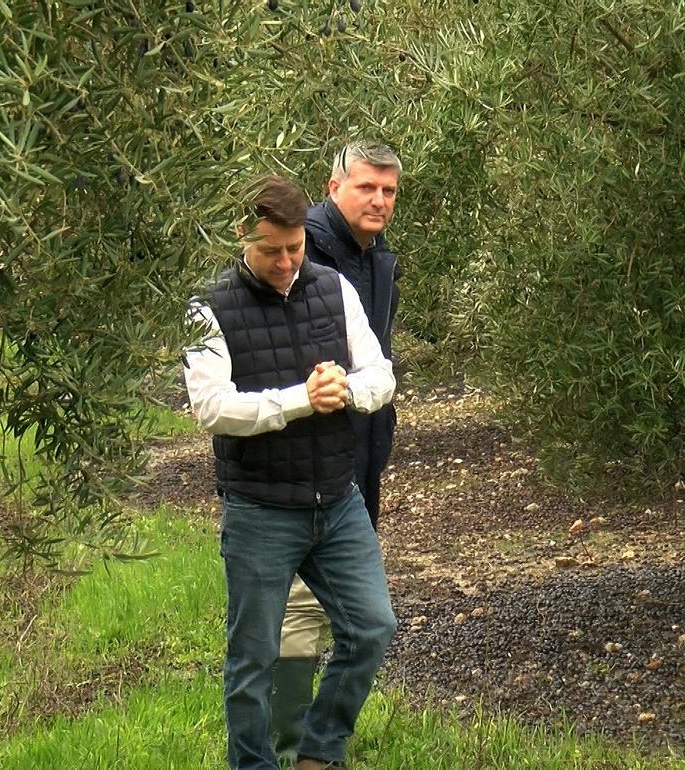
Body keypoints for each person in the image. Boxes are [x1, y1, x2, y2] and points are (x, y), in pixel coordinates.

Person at [183, 175, 397, 770]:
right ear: (242, 237)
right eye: (271, 249)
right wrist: (299, 399)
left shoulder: (332, 288)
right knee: (253, 660)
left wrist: (346, 389)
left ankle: (318, 755)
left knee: (373, 629)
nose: (285, 262)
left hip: (338, 500)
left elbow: (381, 375)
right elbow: (212, 408)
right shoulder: (209, 306)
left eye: (295, 248)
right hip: (259, 509)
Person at [269, 141, 402, 764]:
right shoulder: (303, 254)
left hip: (358, 453)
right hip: (299, 461)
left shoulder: (379, 261)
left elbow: (375, 365)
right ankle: (293, 744)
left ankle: (313, 746)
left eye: (390, 191)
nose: (379, 200)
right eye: (367, 187)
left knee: (353, 615)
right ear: (334, 187)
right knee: (301, 607)